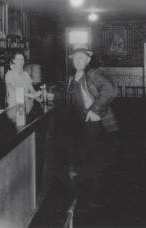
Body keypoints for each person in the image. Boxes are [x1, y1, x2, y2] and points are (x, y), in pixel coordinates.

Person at [55, 43, 118, 207]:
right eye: (75, 58)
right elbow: (68, 97)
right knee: (79, 159)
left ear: (88, 59)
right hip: (77, 124)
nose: (77, 61)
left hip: (90, 123)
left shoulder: (93, 73)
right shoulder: (73, 77)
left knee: (92, 161)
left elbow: (110, 89)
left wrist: (95, 110)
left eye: (81, 57)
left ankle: (94, 201)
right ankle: (83, 196)